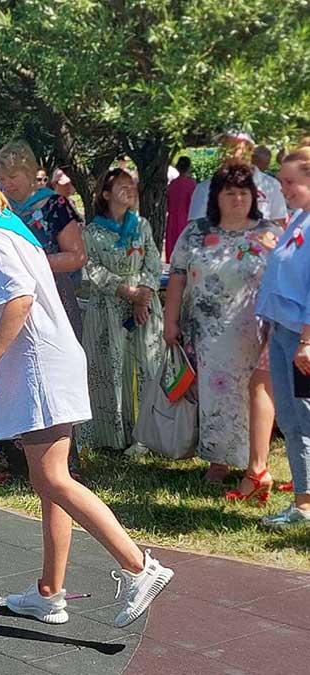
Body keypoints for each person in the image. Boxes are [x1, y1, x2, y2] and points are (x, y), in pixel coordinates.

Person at [0, 162, 173, 629]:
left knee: (51, 480)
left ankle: (139, 567)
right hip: (48, 361)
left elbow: (20, 300)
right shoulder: (8, 228)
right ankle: (49, 592)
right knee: (52, 482)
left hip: (38, 366)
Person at [165, 162, 281, 486]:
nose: (237, 199)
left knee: (254, 395)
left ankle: (254, 463)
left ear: (254, 196)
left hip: (255, 332)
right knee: (214, 395)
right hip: (205, 332)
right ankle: (218, 461)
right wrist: (169, 321)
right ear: (215, 196)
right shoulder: (196, 232)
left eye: (244, 192)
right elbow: (177, 277)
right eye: (230, 192)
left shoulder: (269, 233)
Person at [0, 140, 87, 471]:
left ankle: (64, 460)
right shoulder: (1, 210)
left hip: (53, 296)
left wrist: (33, 263)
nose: (7, 185)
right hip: (11, 298)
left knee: (53, 379)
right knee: (15, 375)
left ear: (30, 172)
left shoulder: (54, 205)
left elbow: (76, 256)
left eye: (13, 177)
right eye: (2, 179)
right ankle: (19, 456)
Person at [83, 169, 163, 452]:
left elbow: (153, 263)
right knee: (111, 369)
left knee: (147, 366)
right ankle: (112, 435)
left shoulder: (141, 226)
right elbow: (93, 268)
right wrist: (127, 292)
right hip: (108, 308)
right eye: (122, 185)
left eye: (132, 185)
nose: (130, 189)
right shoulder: (92, 232)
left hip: (144, 307)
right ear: (106, 194)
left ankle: (147, 435)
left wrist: (142, 297)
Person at [256, 147, 310, 526]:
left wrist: (307, 342)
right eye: (281, 182)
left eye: (291, 182)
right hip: (283, 331)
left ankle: (306, 504)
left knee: (304, 416)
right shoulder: (299, 218)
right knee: (291, 418)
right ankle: (302, 500)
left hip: (301, 337)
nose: (284, 189)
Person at [189, 132, 287, 226]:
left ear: (249, 149)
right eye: (223, 146)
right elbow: (196, 227)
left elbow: (279, 224)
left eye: (233, 147)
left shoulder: (271, 185)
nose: (227, 153)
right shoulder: (204, 188)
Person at [165, 156, 197, 260]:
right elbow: (192, 205)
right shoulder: (192, 184)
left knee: (172, 250)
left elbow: (168, 203)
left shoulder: (173, 184)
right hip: (186, 220)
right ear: (189, 168)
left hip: (172, 220)